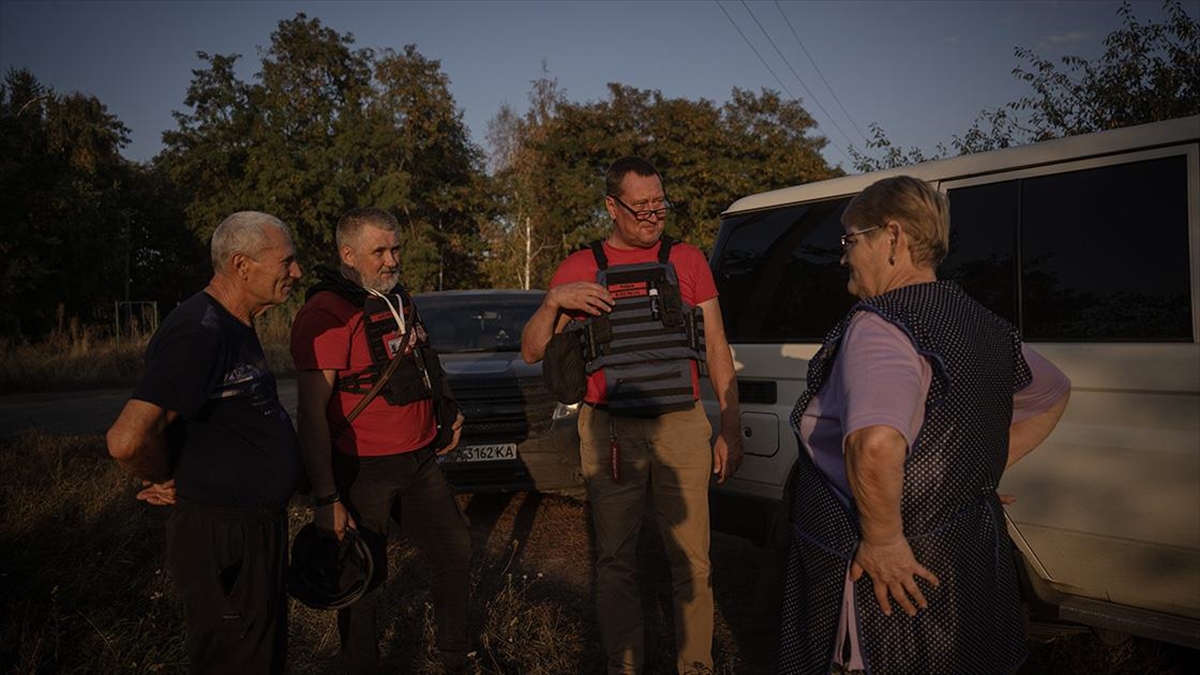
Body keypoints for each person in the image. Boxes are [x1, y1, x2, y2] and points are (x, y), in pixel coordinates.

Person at [776, 176, 1072, 675]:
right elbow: (1053, 392)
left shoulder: (879, 324)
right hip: (961, 558)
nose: (843, 256)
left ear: (892, 238)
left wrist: (885, 539)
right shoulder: (984, 321)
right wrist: (966, 471)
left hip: (890, 586)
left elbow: (874, 445)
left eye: (850, 240)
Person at [521, 156, 744, 675]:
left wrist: (731, 427)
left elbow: (716, 345)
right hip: (608, 430)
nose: (652, 214)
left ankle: (696, 667)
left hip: (683, 425)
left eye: (658, 202)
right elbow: (532, 351)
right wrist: (554, 301)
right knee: (615, 560)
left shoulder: (688, 260)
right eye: (640, 205)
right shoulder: (579, 267)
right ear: (611, 206)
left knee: (693, 562)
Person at [106, 211, 304, 675]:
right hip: (223, 536)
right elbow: (126, 439)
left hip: (253, 530)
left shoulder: (233, 324)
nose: (296, 272)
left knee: (259, 655)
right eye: (286, 262)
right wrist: (162, 476)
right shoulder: (200, 331)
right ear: (241, 265)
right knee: (234, 660)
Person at [289, 207, 472, 675]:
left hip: (418, 460)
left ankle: (457, 657)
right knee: (365, 579)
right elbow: (311, 413)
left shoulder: (398, 298)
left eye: (395, 249)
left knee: (455, 550)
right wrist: (326, 497)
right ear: (348, 255)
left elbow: (425, 362)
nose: (392, 260)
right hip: (362, 467)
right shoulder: (323, 314)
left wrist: (447, 414)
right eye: (380, 251)